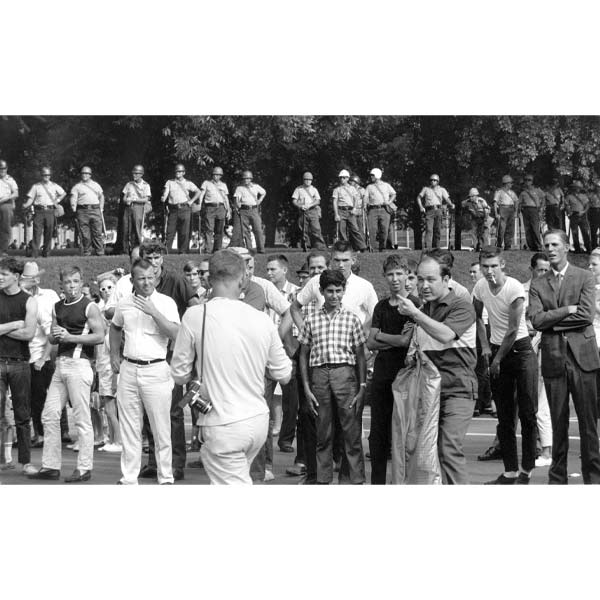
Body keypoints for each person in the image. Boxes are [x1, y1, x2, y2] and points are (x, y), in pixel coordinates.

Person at [170, 250, 291, 484]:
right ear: (243, 278)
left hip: (223, 423)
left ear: (208, 279)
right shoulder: (262, 320)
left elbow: (179, 374)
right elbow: (283, 373)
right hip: (257, 420)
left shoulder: (195, 316)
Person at [291, 241, 377, 484]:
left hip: (345, 373)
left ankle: (354, 479)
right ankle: (321, 478)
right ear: (322, 291)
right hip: (319, 374)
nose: (334, 295)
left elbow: (361, 351)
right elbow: (304, 353)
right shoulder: (312, 318)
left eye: (338, 291)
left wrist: (361, 386)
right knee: (323, 431)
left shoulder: (352, 315)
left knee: (350, 431)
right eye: (329, 291)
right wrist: (307, 387)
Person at [397, 255, 477, 484]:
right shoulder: (423, 310)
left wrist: (415, 314)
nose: (423, 286)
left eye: (431, 279)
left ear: (447, 279)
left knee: (449, 450)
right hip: (428, 392)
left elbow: (445, 335)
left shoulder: (462, 306)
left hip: (457, 389)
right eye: (420, 279)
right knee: (425, 455)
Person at [528, 229, 600, 484]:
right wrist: (566, 310)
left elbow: (586, 315)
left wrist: (553, 319)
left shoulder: (584, 276)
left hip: (583, 357)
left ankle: (593, 479)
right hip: (554, 357)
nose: (550, 248)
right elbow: (536, 320)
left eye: (555, 244)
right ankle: (557, 478)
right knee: (558, 424)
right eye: (547, 244)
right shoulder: (538, 283)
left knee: (588, 423)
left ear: (566, 246)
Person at [28, 266, 105, 482]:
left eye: (76, 281)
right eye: (68, 282)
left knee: (82, 418)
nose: (72, 286)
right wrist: (54, 334)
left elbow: (100, 336)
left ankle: (84, 468)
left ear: (81, 282)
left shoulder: (89, 307)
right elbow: (53, 339)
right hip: (61, 365)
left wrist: (69, 337)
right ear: (61, 284)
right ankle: (51, 466)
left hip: (80, 365)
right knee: (49, 414)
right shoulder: (57, 307)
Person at [110, 258, 181, 485]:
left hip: (157, 368)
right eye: (142, 278)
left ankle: (166, 476)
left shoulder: (166, 302)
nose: (147, 282)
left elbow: (176, 334)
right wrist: (114, 355)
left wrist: (154, 312)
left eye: (151, 277)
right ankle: (129, 477)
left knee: (161, 427)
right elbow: (115, 326)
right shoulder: (124, 303)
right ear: (133, 280)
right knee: (130, 426)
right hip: (129, 368)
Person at [473, 248, 538, 484]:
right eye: (485, 266)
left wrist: (496, 359)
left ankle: (527, 470)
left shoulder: (514, 288)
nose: (489, 271)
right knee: (504, 417)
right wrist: (486, 347)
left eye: (493, 266)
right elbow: (477, 317)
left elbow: (512, 330)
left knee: (528, 414)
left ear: (503, 265)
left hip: (520, 352)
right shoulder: (480, 286)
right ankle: (510, 471)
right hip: (497, 351)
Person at [136, 241, 199, 481]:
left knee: (173, 411)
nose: (154, 261)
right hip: (148, 353)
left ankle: (176, 463)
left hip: (173, 352)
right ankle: (154, 461)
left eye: (157, 256)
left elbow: (195, 308)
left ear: (162, 258)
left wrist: (187, 336)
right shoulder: (139, 282)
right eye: (149, 256)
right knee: (149, 411)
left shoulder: (176, 281)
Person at [366, 255, 419, 484]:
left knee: (404, 433)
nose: (395, 279)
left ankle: (403, 481)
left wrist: (383, 337)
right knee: (378, 433)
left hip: (405, 375)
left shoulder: (414, 304)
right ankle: (377, 482)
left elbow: (405, 342)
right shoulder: (381, 306)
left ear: (407, 275)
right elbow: (370, 342)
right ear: (385, 277)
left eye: (399, 273)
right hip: (382, 375)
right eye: (390, 274)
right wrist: (392, 339)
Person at [0, 258, 38, 476]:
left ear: (16, 276)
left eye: (4, 274)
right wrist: (15, 324)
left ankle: (26, 462)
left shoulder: (29, 301)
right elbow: (21, 329)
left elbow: (29, 334)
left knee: (23, 415)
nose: (0, 277)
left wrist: (2, 329)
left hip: (20, 363)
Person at [19, 262, 62, 449]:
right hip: (26, 355)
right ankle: (41, 433)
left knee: (42, 398)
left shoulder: (47, 296)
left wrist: (44, 357)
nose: (31, 281)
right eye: (27, 278)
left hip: (40, 354)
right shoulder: (21, 298)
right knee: (33, 398)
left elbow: (50, 329)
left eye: (33, 278)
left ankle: (46, 434)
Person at [266, 254, 300, 453]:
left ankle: (286, 439)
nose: (269, 273)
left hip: (288, 349)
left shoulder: (297, 292)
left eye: (273, 269)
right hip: (266, 350)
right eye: (268, 269)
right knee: (265, 397)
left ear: (284, 270)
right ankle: (265, 440)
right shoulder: (262, 292)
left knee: (291, 400)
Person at [522, 252, 553, 467]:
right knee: (525, 401)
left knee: (542, 402)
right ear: (532, 269)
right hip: (524, 346)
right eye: (539, 269)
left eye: (546, 270)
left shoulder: (552, 291)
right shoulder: (522, 290)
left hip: (544, 347)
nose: (543, 273)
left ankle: (547, 450)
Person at [95, 274, 122, 453]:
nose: (106, 291)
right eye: (102, 288)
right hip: (102, 366)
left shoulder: (115, 317)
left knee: (111, 407)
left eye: (109, 287)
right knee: (107, 406)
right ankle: (112, 439)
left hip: (110, 368)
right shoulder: (98, 308)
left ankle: (118, 441)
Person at [23, 166, 66, 258]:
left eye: (48, 175)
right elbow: (31, 199)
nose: (46, 176)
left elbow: (63, 193)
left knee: (49, 233)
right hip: (38, 211)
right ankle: (34, 254)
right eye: (44, 175)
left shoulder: (54, 185)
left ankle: (46, 253)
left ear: (50, 175)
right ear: (41, 175)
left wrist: (57, 201)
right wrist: (25, 205)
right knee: (36, 232)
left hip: (50, 211)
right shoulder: (36, 186)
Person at [161, 164, 200, 254]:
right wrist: (164, 197)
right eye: (176, 171)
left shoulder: (188, 183)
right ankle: (166, 251)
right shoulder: (169, 182)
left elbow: (198, 191)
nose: (177, 173)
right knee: (170, 231)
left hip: (185, 208)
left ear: (183, 173)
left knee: (184, 231)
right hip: (173, 209)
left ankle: (183, 251)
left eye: (179, 172)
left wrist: (192, 201)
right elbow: (166, 192)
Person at [70, 166, 105, 256]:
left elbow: (101, 196)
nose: (84, 175)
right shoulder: (77, 186)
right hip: (82, 210)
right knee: (85, 233)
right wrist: (73, 208)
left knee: (97, 232)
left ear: (90, 175)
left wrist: (101, 208)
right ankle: (87, 252)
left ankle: (100, 252)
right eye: (83, 173)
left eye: (86, 173)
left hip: (95, 209)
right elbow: (73, 198)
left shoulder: (96, 185)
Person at [417, 173, 455, 249]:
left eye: (435, 180)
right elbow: (418, 198)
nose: (433, 181)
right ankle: (428, 248)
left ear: (437, 181)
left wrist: (451, 204)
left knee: (437, 230)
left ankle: (436, 248)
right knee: (429, 229)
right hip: (429, 211)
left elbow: (447, 199)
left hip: (438, 210)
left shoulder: (442, 189)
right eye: (431, 180)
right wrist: (421, 207)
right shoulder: (426, 189)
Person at [232, 170, 266, 253]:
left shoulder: (256, 186)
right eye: (244, 179)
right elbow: (237, 199)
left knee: (258, 229)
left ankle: (261, 248)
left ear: (251, 179)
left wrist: (260, 200)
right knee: (246, 231)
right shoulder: (239, 188)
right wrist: (237, 204)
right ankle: (249, 249)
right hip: (244, 210)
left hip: (254, 209)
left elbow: (264, 192)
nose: (246, 180)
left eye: (248, 178)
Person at [332, 170, 366, 252]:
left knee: (355, 229)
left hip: (350, 211)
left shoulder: (352, 189)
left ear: (347, 178)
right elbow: (335, 202)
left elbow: (356, 199)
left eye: (344, 178)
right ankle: (346, 248)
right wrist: (336, 214)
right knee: (341, 230)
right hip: (341, 210)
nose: (342, 179)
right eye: (340, 178)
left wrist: (354, 208)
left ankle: (361, 247)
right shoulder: (337, 190)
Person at [198, 166, 230, 253]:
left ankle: (217, 249)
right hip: (210, 207)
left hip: (221, 207)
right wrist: (199, 204)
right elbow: (202, 194)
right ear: (212, 175)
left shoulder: (223, 185)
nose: (216, 176)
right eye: (215, 174)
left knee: (219, 230)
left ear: (221, 176)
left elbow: (226, 198)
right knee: (209, 229)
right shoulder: (206, 183)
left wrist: (228, 210)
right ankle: (208, 249)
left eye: (218, 175)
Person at [121, 165, 152, 255]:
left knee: (137, 229)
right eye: (134, 173)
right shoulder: (129, 184)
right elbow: (124, 197)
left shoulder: (146, 185)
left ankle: (138, 250)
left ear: (141, 174)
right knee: (126, 229)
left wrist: (134, 199)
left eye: (137, 173)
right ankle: (125, 250)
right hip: (128, 208)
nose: (134, 175)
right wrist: (126, 200)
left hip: (139, 208)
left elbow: (146, 199)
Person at [291, 171, 325, 250]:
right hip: (303, 211)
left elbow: (318, 201)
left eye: (309, 180)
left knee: (316, 228)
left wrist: (310, 205)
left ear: (311, 180)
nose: (308, 181)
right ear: (303, 180)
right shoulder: (298, 189)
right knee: (303, 229)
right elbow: (294, 201)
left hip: (313, 210)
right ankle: (305, 245)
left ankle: (320, 246)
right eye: (306, 179)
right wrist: (300, 206)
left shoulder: (314, 189)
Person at [365, 168, 396, 252]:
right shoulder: (369, 187)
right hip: (372, 209)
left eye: (372, 175)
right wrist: (365, 206)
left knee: (384, 229)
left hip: (384, 209)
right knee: (372, 229)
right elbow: (366, 197)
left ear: (377, 175)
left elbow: (394, 193)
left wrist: (389, 202)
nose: (371, 177)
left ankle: (383, 247)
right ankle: (373, 248)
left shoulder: (386, 185)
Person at [518, 174, 544, 251]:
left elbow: (543, 198)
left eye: (529, 180)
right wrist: (519, 209)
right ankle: (531, 246)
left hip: (534, 210)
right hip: (525, 210)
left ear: (532, 181)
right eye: (525, 180)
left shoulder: (537, 190)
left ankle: (538, 246)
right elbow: (519, 202)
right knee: (527, 228)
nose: (527, 182)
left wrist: (541, 208)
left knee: (535, 228)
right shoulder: (523, 192)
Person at [564, 180, 591, 254]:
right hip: (574, 215)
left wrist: (584, 211)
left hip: (582, 215)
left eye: (578, 188)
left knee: (585, 232)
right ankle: (577, 249)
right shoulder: (569, 196)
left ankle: (588, 249)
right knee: (574, 233)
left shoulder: (583, 196)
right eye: (575, 188)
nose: (576, 189)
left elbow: (587, 205)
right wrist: (569, 212)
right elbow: (566, 205)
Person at [492, 175, 518, 251]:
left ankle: (508, 245)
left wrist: (516, 211)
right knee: (502, 228)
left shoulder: (512, 193)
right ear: (506, 183)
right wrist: (496, 213)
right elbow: (495, 202)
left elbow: (516, 201)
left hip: (511, 209)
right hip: (503, 209)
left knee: (510, 228)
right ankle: (499, 245)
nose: (511, 185)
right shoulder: (499, 192)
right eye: (510, 183)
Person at [0, 160, 18, 256]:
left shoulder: (10, 180)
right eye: (0, 168)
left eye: (3, 168)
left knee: (5, 227)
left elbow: (16, 193)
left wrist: (5, 199)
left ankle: (3, 250)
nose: (2, 170)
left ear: (6, 169)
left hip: (5, 205)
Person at [588, 181, 600, 248]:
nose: (598, 188)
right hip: (594, 211)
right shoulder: (590, 194)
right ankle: (594, 246)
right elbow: (587, 203)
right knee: (593, 230)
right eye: (597, 187)